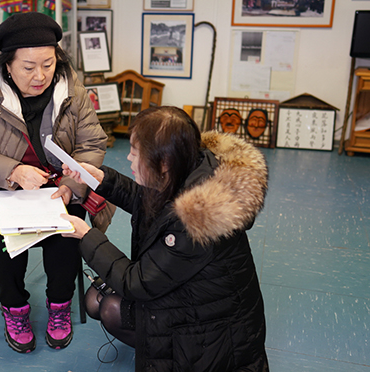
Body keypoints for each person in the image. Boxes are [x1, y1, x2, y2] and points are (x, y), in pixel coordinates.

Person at [0, 12, 112, 353]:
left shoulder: (72, 90)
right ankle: (14, 307)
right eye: (28, 67)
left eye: (48, 64)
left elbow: (92, 144)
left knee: (68, 230)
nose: (40, 75)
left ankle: (59, 305)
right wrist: (14, 171)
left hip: (59, 181)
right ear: (7, 65)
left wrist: (71, 187)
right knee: (2, 233)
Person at [61, 106, 269, 371]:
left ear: (164, 162)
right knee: (97, 300)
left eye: (135, 153)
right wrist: (99, 179)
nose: (128, 157)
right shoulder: (194, 169)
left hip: (211, 336)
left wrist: (86, 235)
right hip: (198, 305)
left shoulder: (197, 220)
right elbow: (146, 198)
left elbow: (137, 283)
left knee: (107, 305)